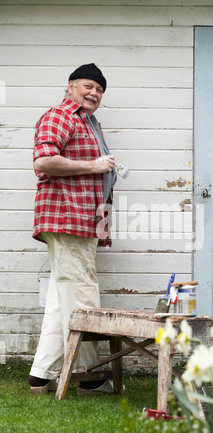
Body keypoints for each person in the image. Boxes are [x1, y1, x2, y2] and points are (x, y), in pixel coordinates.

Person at [28, 63, 117, 395]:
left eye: (100, 90)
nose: (94, 93)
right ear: (71, 86)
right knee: (82, 295)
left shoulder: (89, 122)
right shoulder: (60, 115)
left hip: (82, 220)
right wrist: (93, 165)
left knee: (61, 297)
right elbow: (44, 161)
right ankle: (89, 377)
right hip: (67, 217)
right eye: (88, 86)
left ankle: (40, 376)